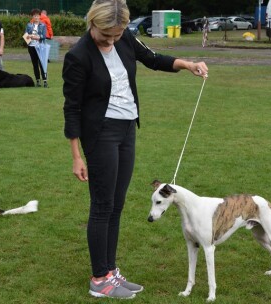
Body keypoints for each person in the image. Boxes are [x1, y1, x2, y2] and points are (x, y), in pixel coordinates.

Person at [62, 0, 208, 299]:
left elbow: (153, 58)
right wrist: (76, 156)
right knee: (102, 206)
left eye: (117, 34)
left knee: (117, 204)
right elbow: (72, 108)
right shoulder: (78, 56)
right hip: (100, 134)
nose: (112, 40)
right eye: (107, 36)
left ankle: (111, 271)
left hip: (127, 129)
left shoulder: (125, 37)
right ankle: (99, 279)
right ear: (93, 24)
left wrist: (188, 64)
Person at [25, 8, 48, 88]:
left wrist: (33, 37)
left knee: (42, 64)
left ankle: (45, 81)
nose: (36, 17)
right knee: (35, 64)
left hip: (40, 47)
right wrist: (30, 38)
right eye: (34, 16)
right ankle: (38, 81)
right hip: (31, 47)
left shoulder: (43, 25)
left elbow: (44, 36)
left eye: (38, 16)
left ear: (40, 16)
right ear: (32, 17)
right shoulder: (29, 25)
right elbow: (25, 36)